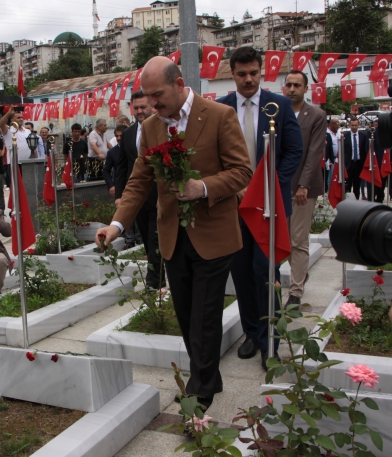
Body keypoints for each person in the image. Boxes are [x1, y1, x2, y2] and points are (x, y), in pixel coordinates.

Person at [96, 57, 252, 409]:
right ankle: (206, 377)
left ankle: (199, 393)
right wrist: (116, 224)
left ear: (179, 85)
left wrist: (204, 187)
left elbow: (242, 172)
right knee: (186, 316)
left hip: (214, 234)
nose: (153, 104)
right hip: (172, 237)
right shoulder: (150, 128)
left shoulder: (219, 116)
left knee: (205, 317)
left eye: (158, 95)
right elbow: (138, 182)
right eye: (148, 98)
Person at [217, 46, 303, 370]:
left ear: (261, 71)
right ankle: (251, 332)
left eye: (254, 73)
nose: (248, 79)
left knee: (265, 272)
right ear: (232, 74)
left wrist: (269, 185)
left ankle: (271, 343)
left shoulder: (278, 105)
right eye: (242, 74)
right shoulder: (221, 108)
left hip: (269, 206)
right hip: (234, 206)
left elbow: (294, 150)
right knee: (240, 272)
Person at [283, 70, 327, 306]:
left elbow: (314, 153)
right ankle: (300, 273)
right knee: (283, 241)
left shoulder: (316, 115)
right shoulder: (277, 112)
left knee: (298, 240)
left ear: (305, 89)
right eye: (288, 84)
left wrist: (303, 185)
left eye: (297, 85)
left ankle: (295, 293)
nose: (292, 89)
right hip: (279, 187)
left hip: (303, 189)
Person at [115, 90, 160, 282]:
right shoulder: (128, 134)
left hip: (159, 197)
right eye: (137, 108)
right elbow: (122, 166)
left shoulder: (162, 128)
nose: (140, 111)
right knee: (147, 240)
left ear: (152, 106)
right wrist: (119, 195)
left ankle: (155, 281)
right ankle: (157, 276)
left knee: (155, 239)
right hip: (138, 198)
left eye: (144, 107)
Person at [344, 118, 367, 200]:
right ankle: (348, 202)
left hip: (359, 164)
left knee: (357, 185)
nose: (354, 127)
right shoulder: (345, 136)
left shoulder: (363, 136)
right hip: (348, 164)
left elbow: (365, 150)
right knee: (348, 185)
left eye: (355, 125)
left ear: (358, 125)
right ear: (349, 125)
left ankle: (356, 202)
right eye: (352, 125)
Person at [325, 118, 339, 193]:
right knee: (327, 178)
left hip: (334, 160)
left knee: (333, 177)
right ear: (332, 124)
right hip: (326, 160)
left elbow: (330, 148)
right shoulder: (327, 133)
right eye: (337, 124)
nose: (338, 126)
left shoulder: (337, 133)